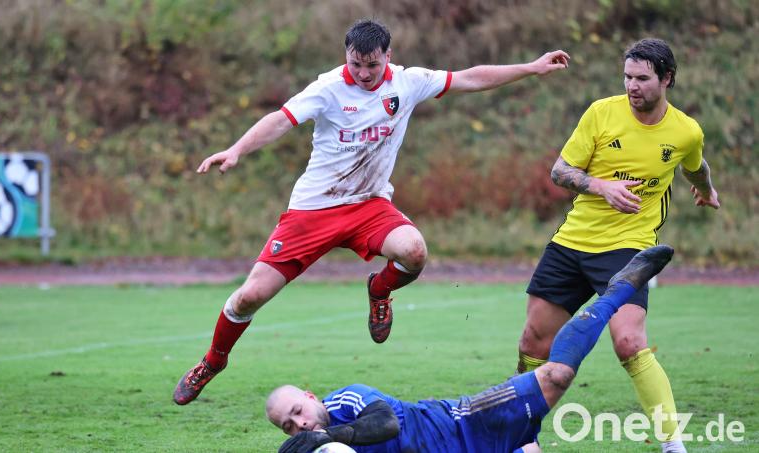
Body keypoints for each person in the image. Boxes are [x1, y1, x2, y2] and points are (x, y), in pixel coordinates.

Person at [173, 19, 570, 405]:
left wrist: (531, 68)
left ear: (388, 57)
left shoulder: (407, 82)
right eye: (355, 64)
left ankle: (379, 290)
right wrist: (237, 149)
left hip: (370, 206)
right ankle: (212, 361)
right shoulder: (328, 88)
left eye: (372, 65)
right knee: (249, 297)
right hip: (314, 210)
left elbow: (469, 77)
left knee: (414, 252)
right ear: (346, 56)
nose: (363, 73)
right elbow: (280, 120)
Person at [267, 245, 675, 453]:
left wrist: (326, 436)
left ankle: (619, 287)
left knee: (557, 374)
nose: (299, 424)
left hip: (465, 423)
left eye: (297, 412)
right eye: (289, 425)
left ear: (309, 396)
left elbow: (387, 425)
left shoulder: (347, 401)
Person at [515, 38, 719, 453]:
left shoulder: (685, 131)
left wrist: (707, 191)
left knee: (629, 341)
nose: (632, 85)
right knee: (533, 342)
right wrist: (600, 187)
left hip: (629, 247)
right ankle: (522, 438)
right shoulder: (601, 113)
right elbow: (560, 171)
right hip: (573, 242)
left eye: (642, 78)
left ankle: (672, 444)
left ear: (667, 79)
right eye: (627, 76)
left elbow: (695, 166)